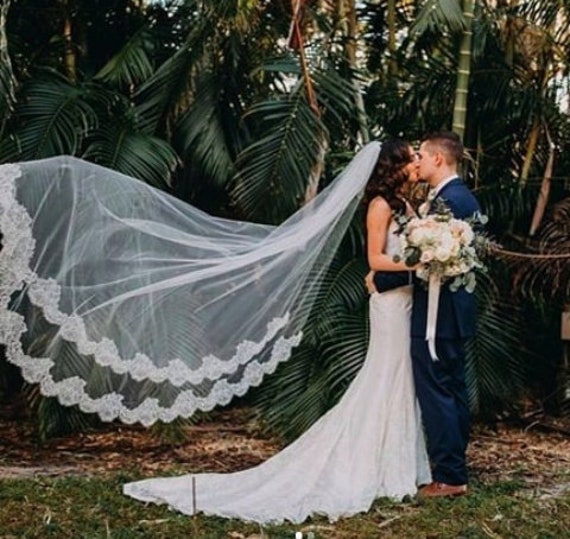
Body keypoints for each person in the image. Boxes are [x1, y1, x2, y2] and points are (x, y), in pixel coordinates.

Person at [122, 139, 432, 523]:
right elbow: (375, 258)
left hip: (404, 301)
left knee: (401, 378)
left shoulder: (406, 205)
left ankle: (398, 462)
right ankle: (374, 464)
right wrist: (421, 266)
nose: (418, 162)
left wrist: (420, 259)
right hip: (389, 305)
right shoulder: (380, 205)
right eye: (412, 157)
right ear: (395, 165)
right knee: (386, 376)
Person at [373, 131, 481, 498]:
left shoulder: (452, 201)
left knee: (438, 391)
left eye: (421, 154)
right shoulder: (452, 198)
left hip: (439, 313)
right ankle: (454, 469)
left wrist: (381, 277)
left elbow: (433, 261)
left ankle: (450, 477)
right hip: (446, 311)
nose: (416, 160)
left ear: (438, 159)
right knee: (450, 389)